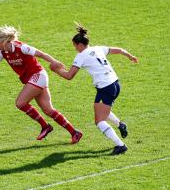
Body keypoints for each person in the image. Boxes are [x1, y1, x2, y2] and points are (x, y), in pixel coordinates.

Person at [0, 25, 83, 143]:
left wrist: (54, 61)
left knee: (20, 103)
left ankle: (45, 126)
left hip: (38, 76)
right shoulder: (2, 52)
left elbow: (41, 54)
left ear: (5, 41)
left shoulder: (22, 47)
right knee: (48, 110)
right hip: (32, 79)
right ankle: (74, 133)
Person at [51, 23, 138, 154]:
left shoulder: (81, 56)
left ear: (79, 44)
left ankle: (120, 145)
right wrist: (130, 56)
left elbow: (69, 76)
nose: (74, 48)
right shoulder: (98, 49)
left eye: (74, 45)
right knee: (100, 108)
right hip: (114, 83)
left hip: (106, 88)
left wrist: (56, 70)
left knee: (99, 121)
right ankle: (120, 125)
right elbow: (119, 50)